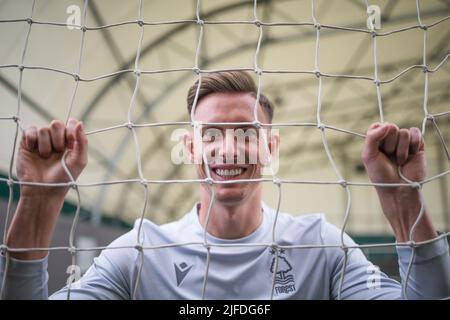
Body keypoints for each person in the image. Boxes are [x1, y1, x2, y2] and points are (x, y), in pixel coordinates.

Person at [0, 71, 449, 300]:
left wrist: (404, 202)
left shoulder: (321, 247)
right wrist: (37, 206)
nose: (228, 149)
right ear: (191, 149)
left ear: (271, 147)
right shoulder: (139, 253)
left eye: (246, 133)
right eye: (211, 136)